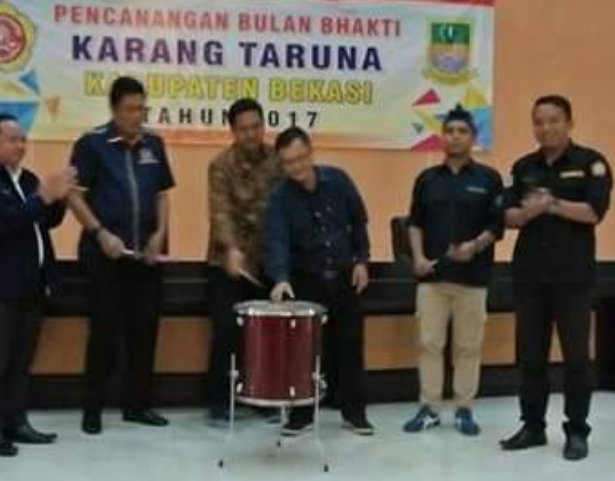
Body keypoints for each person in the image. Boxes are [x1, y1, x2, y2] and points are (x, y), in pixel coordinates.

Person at [499, 95, 613, 461]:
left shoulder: (590, 163)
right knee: (530, 358)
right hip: (530, 277)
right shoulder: (522, 167)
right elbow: (507, 216)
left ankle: (576, 430)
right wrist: (526, 213)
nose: (545, 128)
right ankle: (532, 426)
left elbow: (594, 212)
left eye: (553, 120)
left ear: (569, 123)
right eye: (538, 122)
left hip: (573, 279)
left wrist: (552, 204)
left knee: (576, 359)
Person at [67, 76, 176, 435]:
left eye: (142, 108)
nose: (137, 115)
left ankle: (138, 405)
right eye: (130, 109)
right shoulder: (92, 144)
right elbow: (74, 196)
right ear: (114, 110)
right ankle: (93, 408)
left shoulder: (154, 144)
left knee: (144, 330)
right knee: (104, 331)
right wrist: (100, 233)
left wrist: (160, 234)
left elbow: (162, 195)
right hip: (105, 255)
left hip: (145, 255)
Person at [0, 114, 75, 457]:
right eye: (12, 139)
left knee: (20, 362)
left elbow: (44, 220)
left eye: (23, 139)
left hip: (31, 287)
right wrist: (41, 199)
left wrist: (58, 199)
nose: (20, 145)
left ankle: (17, 423)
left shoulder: (27, 179)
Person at [265, 126, 375, 436]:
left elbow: (359, 222)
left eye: (301, 158)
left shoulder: (338, 180)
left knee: (351, 346)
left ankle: (354, 414)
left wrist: (362, 260)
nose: (296, 167)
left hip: (344, 276)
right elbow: (277, 240)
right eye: (289, 162)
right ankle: (301, 416)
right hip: (307, 280)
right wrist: (280, 278)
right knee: (304, 351)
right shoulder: (280, 197)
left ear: (311, 153)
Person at [402, 107, 504, 436]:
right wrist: (418, 258)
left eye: (462, 131)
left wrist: (475, 246)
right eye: (450, 131)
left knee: (468, 347)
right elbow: (414, 223)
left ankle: (464, 409)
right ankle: (429, 408)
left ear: (473, 138)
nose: (455, 137)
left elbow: (497, 226)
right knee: (429, 344)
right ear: (442, 137)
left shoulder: (489, 179)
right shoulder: (427, 179)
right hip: (432, 279)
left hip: (473, 279)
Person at [204, 98, 280, 425]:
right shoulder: (221, 165)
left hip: (264, 261)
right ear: (233, 131)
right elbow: (220, 211)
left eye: (256, 127)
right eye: (244, 129)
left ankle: (262, 397)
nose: (251, 134)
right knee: (226, 330)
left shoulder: (277, 161)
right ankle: (219, 402)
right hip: (227, 262)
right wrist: (232, 247)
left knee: (264, 332)